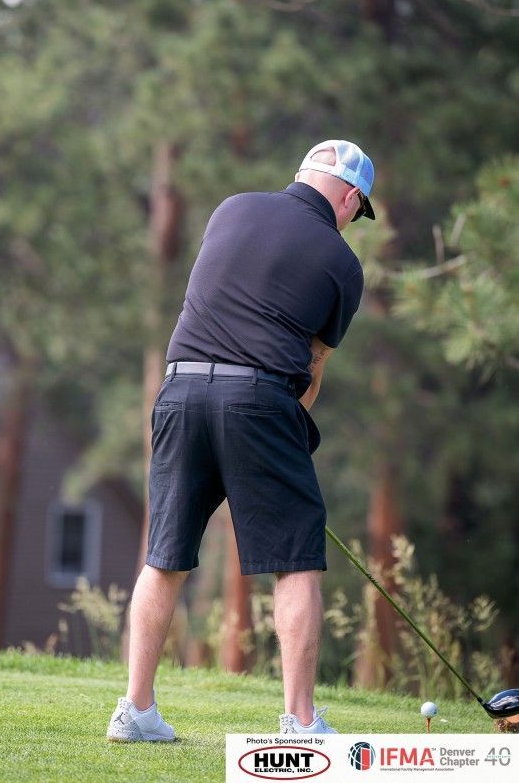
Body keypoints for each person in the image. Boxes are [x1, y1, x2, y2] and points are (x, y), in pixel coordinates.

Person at [107, 139, 375, 742]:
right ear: (351, 198)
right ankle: (301, 723)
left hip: (178, 392)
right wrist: (289, 423)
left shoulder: (230, 209)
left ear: (302, 174)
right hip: (258, 398)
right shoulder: (342, 262)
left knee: (164, 555)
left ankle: (135, 711)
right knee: (296, 561)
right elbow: (313, 365)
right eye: (357, 212)